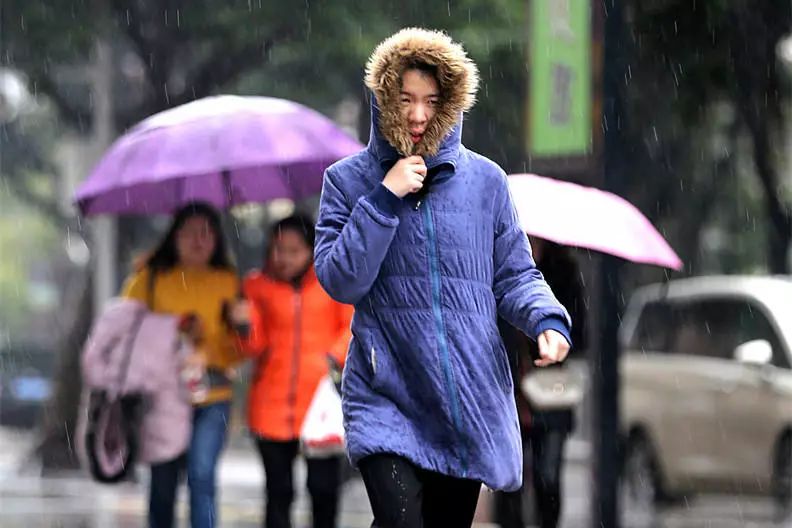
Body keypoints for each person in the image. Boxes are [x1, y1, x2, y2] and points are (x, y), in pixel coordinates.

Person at [314, 28, 572, 528]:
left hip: (463, 399)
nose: (417, 115)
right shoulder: (346, 182)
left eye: (431, 101)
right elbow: (341, 280)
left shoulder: (486, 182)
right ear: (384, 98)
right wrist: (385, 199)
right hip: (386, 392)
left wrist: (545, 320)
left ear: (451, 103)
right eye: (405, 99)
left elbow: (514, 273)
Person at [122, 202, 245, 528]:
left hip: (213, 393)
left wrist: (233, 335)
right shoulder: (149, 278)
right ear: (173, 237)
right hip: (163, 397)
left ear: (217, 239)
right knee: (162, 482)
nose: (198, 241)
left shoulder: (228, 281)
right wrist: (174, 332)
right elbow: (126, 331)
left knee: (202, 475)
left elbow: (240, 350)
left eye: (206, 233)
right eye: (189, 233)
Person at [242, 214, 353, 528]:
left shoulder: (331, 282)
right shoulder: (256, 286)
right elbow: (253, 346)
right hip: (270, 406)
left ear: (311, 249)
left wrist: (332, 358)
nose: (284, 258)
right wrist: (243, 324)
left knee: (323, 490)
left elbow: (351, 327)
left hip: (319, 407)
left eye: (294, 250)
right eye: (278, 249)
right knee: (278, 492)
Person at [496, 237, 587, 528]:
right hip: (510, 389)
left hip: (550, 391)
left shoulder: (563, 273)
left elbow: (580, 332)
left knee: (548, 476)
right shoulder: (499, 265)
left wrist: (548, 327)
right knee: (511, 478)